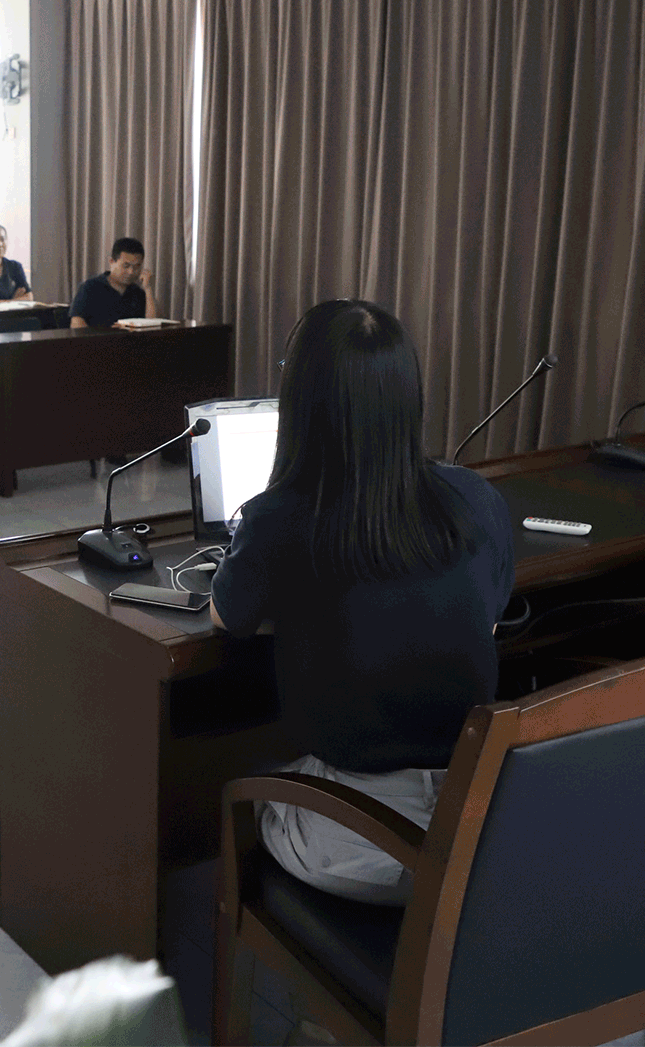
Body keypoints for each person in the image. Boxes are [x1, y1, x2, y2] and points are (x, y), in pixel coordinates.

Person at [210, 300, 513, 906]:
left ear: (301, 400)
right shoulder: (473, 497)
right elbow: (487, 616)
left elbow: (227, 616)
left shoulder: (278, 517)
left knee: (239, 790)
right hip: (482, 826)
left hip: (372, 846)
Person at [69, 237, 158, 330]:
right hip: (98, 338)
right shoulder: (90, 287)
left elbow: (153, 326)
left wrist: (148, 288)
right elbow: (76, 323)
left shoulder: (138, 292)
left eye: (137, 267)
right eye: (126, 266)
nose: (131, 272)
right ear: (112, 262)